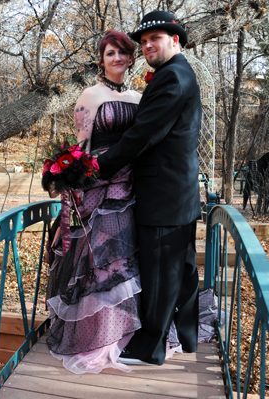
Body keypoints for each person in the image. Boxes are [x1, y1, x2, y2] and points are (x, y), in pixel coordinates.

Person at [96, 11, 202, 366]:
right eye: (143, 42)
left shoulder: (173, 78)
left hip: (163, 195)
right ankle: (187, 337)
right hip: (180, 194)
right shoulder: (179, 74)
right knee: (183, 271)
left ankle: (150, 347)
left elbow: (142, 135)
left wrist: (98, 165)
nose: (147, 46)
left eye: (153, 39)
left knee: (160, 272)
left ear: (175, 40)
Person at [45, 30, 142, 374]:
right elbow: (81, 148)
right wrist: (74, 196)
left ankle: (123, 336)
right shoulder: (90, 95)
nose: (117, 58)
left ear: (131, 58)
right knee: (99, 257)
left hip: (132, 185)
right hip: (99, 185)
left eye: (122, 53)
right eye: (110, 53)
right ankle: (95, 339)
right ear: (101, 60)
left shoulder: (139, 96)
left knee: (126, 258)